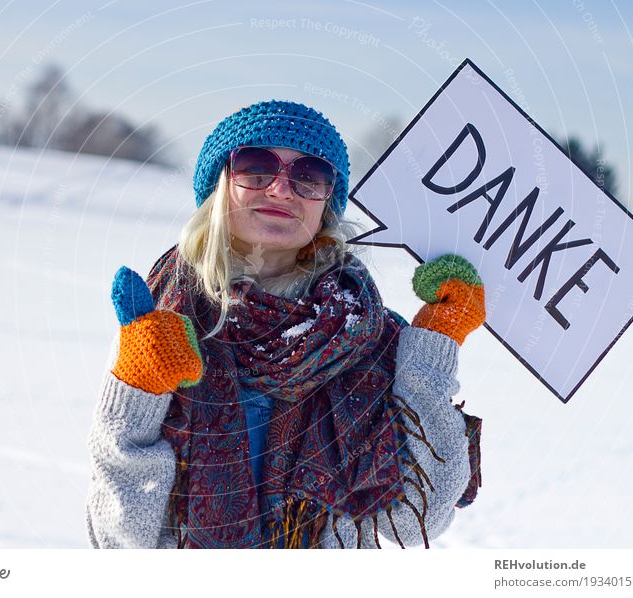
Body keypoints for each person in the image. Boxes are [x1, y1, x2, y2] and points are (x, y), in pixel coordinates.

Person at [86, 100, 485, 549]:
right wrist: (136, 391)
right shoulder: (164, 321)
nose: (280, 189)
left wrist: (437, 341)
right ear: (220, 186)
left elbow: (419, 518)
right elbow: (117, 540)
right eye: (256, 168)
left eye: (308, 176)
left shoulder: (370, 339)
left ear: (326, 207)